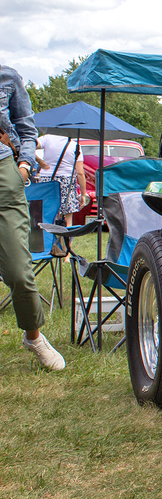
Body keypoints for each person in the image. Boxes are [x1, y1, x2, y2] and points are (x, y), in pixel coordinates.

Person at [0, 63, 65, 370]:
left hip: (4, 175)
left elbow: (27, 129)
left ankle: (34, 336)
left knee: (18, 273)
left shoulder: (7, 77)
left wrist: (24, 166)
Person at [36, 133, 89, 224]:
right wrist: (83, 194)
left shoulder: (47, 138)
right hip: (67, 181)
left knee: (48, 213)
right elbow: (80, 173)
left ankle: (48, 236)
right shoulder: (75, 145)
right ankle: (65, 237)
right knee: (67, 215)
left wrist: (39, 161)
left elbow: (30, 145)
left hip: (47, 180)